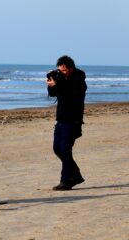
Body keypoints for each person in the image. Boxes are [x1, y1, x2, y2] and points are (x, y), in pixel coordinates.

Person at [46, 55, 87, 191]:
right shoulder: (62, 79)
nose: (62, 73)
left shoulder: (79, 80)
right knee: (57, 149)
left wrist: (59, 83)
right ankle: (76, 175)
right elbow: (53, 94)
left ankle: (65, 181)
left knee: (65, 150)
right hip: (61, 119)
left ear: (71, 68)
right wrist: (51, 84)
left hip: (73, 121)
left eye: (64, 70)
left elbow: (72, 93)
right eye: (60, 70)